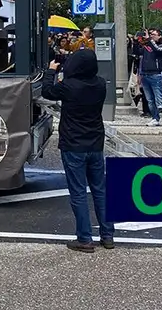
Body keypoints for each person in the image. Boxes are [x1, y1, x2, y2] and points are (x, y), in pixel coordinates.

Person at [42, 48, 113, 252]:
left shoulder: (69, 86)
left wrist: (51, 71)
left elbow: (48, 91)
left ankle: (85, 238)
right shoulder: (100, 84)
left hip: (73, 144)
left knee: (79, 192)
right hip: (95, 143)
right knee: (100, 190)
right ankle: (107, 235)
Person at [135, 29, 162, 127]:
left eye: (154, 35)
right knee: (150, 99)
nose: (151, 36)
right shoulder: (148, 46)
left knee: (160, 98)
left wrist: (149, 40)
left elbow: (157, 49)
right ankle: (155, 118)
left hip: (155, 74)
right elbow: (138, 52)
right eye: (150, 34)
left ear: (160, 36)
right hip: (145, 74)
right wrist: (136, 41)